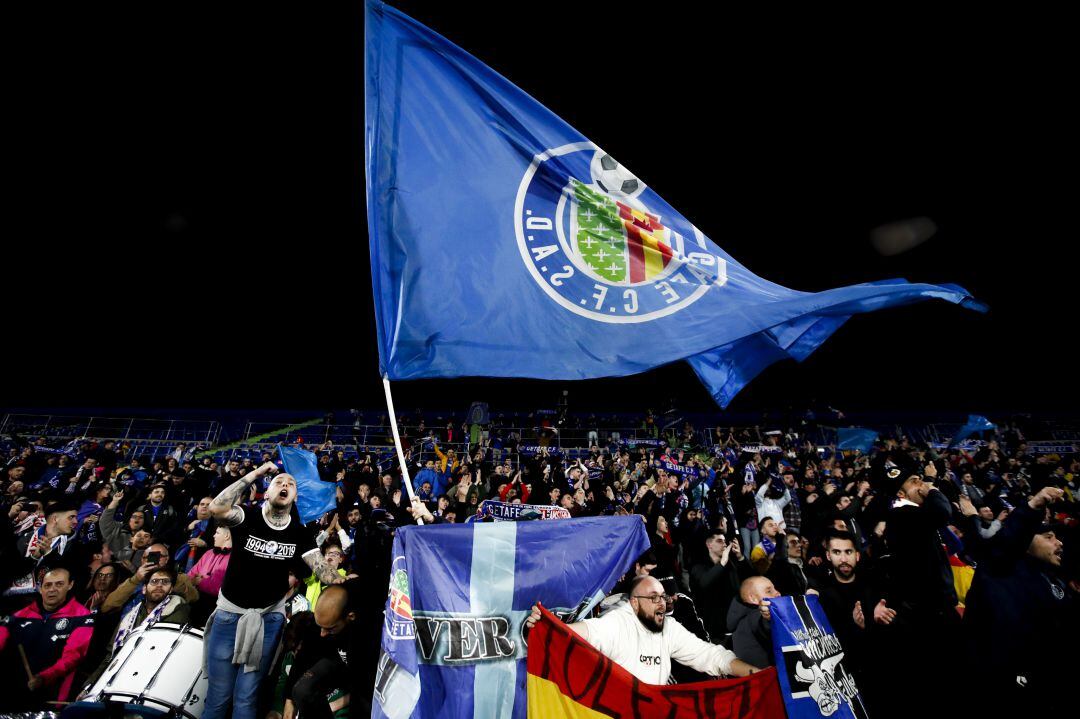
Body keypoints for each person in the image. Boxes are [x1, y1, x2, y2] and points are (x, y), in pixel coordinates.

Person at [202, 461, 343, 719]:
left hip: (268, 619)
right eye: (279, 482)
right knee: (218, 696)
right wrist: (255, 473)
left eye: (290, 484)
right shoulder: (248, 517)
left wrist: (351, 581)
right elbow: (216, 508)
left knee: (246, 698)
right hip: (229, 614)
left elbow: (324, 572)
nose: (285, 485)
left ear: (295, 496)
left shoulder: (300, 534)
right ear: (267, 492)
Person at [525, 575, 760, 684]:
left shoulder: (668, 627)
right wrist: (546, 625)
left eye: (663, 597)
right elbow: (582, 633)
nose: (662, 603)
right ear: (634, 602)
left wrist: (758, 674)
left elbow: (709, 655)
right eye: (653, 597)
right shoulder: (618, 622)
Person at [963, 486, 1074, 713]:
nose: (1058, 543)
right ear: (1024, 543)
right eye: (1049, 537)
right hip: (1004, 690)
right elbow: (1004, 545)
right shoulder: (997, 571)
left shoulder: (1052, 579)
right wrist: (1032, 507)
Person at [0, 566, 95, 708]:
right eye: (48, 585)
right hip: (10, 696)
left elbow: (73, 657)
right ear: (40, 589)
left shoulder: (83, 617)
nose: (52, 589)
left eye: (59, 584)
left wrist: (44, 677)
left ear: (70, 585)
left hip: (51, 698)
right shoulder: (19, 616)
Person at [689, 529, 746, 643]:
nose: (724, 544)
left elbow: (745, 585)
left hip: (733, 623)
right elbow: (704, 583)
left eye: (725, 541)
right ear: (709, 544)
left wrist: (740, 558)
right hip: (711, 627)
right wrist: (723, 562)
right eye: (719, 541)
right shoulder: (698, 566)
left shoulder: (730, 564)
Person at [726, 576, 781, 669]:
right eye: (769, 591)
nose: (777, 593)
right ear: (753, 599)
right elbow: (763, 626)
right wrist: (768, 619)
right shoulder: (754, 617)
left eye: (775, 588)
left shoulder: (743, 621)